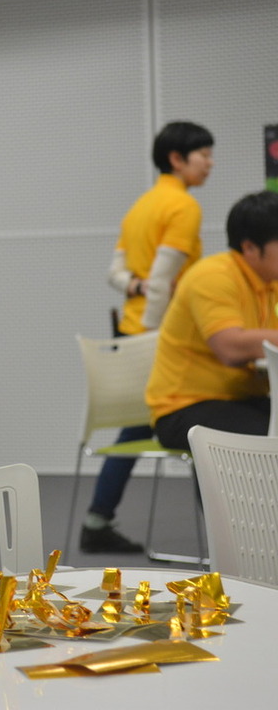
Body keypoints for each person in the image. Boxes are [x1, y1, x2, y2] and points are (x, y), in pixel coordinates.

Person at [81, 121, 215, 553]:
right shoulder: (183, 208)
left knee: (137, 426)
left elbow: (117, 274)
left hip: (131, 330)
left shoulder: (141, 206)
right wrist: (158, 339)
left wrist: (137, 295)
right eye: (204, 155)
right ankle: (222, 530)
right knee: (200, 423)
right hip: (158, 337)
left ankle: (97, 521)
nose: (210, 164)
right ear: (177, 159)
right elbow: (160, 285)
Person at [147, 190, 278, 452]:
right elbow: (230, 348)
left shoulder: (269, 282)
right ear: (250, 248)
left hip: (242, 399)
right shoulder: (213, 276)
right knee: (267, 443)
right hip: (185, 406)